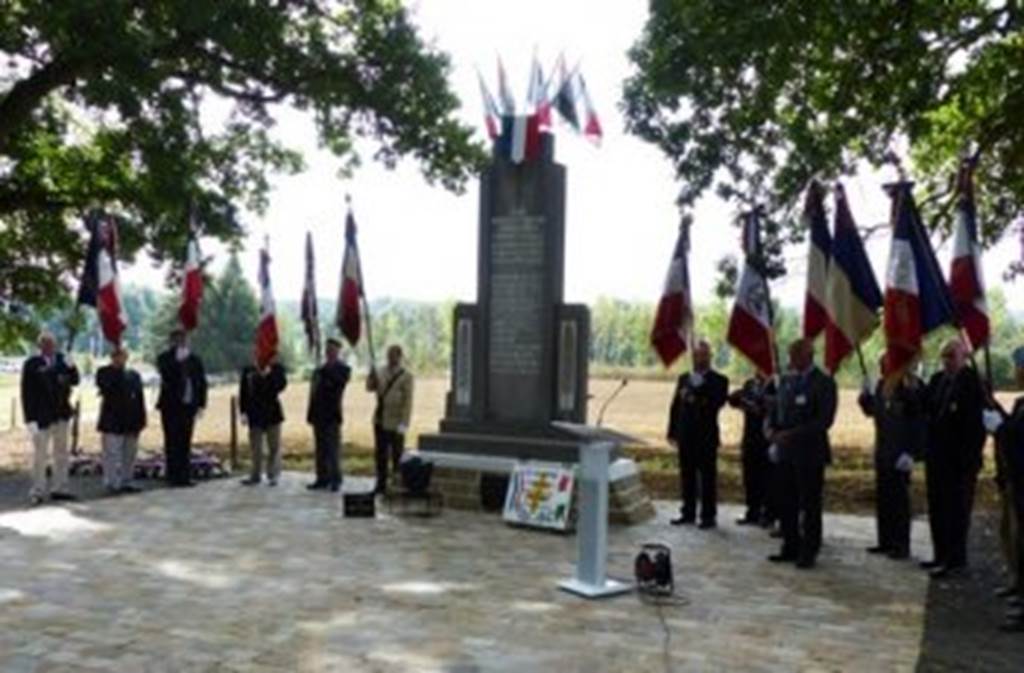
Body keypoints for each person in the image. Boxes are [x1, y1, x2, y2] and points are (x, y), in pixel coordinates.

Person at [767, 338, 838, 569]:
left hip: (810, 453)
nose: (791, 360)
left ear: (808, 355)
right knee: (786, 501)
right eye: (790, 355)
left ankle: (809, 550)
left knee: (809, 505)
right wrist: (771, 430)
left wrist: (792, 434)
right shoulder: (787, 381)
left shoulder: (824, 382)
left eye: (795, 355)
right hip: (785, 452)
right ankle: (790, 546)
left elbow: (823, 420)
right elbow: (776, 411)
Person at [921, 338, 986, 579]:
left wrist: (970, 458)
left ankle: (955, 560)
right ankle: (940, 555)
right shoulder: (937, 380)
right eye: (944, 356)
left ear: (964, 357)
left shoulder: (973, 382)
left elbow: (975, 426)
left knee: (956, 511)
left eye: (952, 356)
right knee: (937, 508)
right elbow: (924, 406)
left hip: (960, 460)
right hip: (936, 457)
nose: (947, 361)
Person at [858, 357, 926, 560]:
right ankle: (885, 540)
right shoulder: (882, 385)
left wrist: (912, 452)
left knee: (899, 501)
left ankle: (901, 545)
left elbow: (919, 421)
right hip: (883, 450)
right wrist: (865, 397)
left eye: (885, 366)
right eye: (881, 366)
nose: (882, 369)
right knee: (884, 497)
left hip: (901, 452)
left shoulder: (909, 386)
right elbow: (873, 411)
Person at [667, 339, 729, 529]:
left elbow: (716, 403)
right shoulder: (684, 378)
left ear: (710, 357)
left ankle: (708, 516)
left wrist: (698, 391)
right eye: (696, 355)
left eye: (703, 355)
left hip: (706, 436)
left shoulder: (719, 380)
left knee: (707, 477)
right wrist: (672, 431)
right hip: (686, 434)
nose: (699, 359)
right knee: (687, 475)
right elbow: (676, 407)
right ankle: (688, 512)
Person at [986, 346, 1024, 631]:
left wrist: (1000, 429)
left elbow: (1019, 439)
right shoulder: (1021, 403)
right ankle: (1019, 587)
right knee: (1014, 538)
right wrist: (995, 409)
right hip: (1014, 481)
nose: (1016, 372)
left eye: (1018, 367)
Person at [20, 331, 80, 504]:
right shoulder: (32, 364)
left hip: (61, 413)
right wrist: (29, 419)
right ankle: (37, 490)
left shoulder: (62, 360)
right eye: (45, 343)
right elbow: (26, 393)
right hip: (41, 416)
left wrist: (72, 366)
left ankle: (60, 488)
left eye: (51, 343)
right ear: (40, 346)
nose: (49, 346)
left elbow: (75, 380)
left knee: (61, 453)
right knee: (40, 455)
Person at [156, 328, 207, 487]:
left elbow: (201, 382)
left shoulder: (194, 359)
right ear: (172, 342)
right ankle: (172, 476)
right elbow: (167, 375)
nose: (182, 343)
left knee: (185, 440)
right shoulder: (165, 358)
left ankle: (184, 476)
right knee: (172, 441)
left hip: (188, 405)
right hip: (171, 406)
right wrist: (178, 362)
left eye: (184, 340)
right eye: (178, 340)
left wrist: (201, 404)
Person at [728, 371, 776, 527]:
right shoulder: (749, 384)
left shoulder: (775, 384)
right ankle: (752, 511)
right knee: (750, 475)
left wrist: (759, 407)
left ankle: (768, 513)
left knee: (768, 477)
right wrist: (737, 399)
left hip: (767, 437)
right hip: (750, 436)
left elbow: (775, 407)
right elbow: (737, 401)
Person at [96, 346, 146, 494]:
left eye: (123, 356)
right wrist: (117, 370)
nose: (120, 359)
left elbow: (139, 398)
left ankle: (127, 480)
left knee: (129, 454)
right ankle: (112, 482)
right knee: (112, 453)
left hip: (131, 419)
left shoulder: (134, 375)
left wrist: (141, 419)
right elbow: (107, 387)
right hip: (112, 420)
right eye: (117, 356)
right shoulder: (104, 372)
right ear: (112, 358)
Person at [366, 344, 414, 494]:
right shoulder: (381, 372)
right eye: (389, 355)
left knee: (396, 454)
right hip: (380, 419)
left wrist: (404, 423)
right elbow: (370, 388)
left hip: (396, 421)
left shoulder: (406, 376)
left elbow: (408, 401)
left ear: (399, 357)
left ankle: (396, 484)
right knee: (380, 454)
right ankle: (381, 484)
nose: (391, 358)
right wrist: (371, 375)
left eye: (394, 355)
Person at [306, 337, 351, 492]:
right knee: (320, 449)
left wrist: (325, 371)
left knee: (333, 449)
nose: (328, 352)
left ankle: (335, 478)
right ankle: (322, 478)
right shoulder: (319, 370)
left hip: (332, 414)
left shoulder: (343, 369)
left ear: (338, 351)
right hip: (318, 414)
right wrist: (310, 413)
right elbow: (313, 393)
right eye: (327, 350)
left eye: (332, 349)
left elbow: (337, 383)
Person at [238, 349, 287, 486]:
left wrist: (268, 374)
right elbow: (243, 392)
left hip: (273, 413)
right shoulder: (248, 371)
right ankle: (255, 475)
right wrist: (243, 412)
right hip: (255, 414)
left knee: (274, 446)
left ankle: (273, 475)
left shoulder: (276, 369)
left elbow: (281, 386)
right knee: (256, 448)